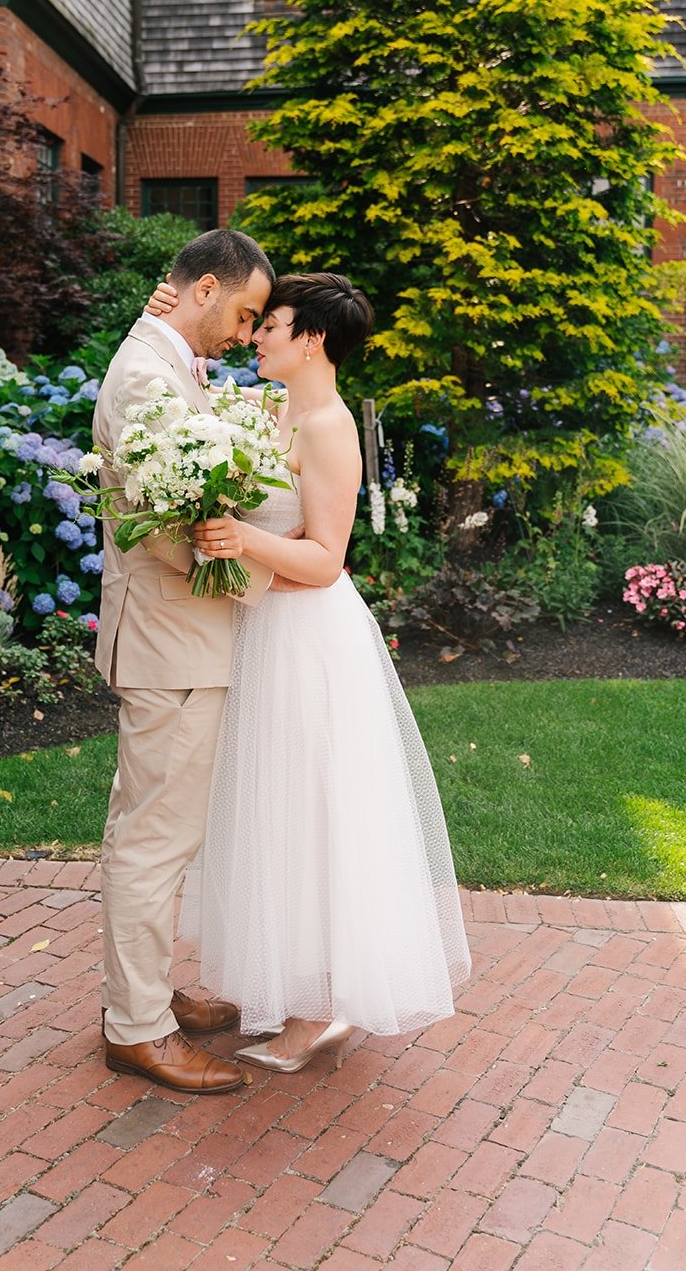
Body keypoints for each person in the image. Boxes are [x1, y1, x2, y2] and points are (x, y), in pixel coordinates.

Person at [149, 270, 471, 1072]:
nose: (255, 335)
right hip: (264, 628)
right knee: (272, 816)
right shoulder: (267, 408)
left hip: (308, 641)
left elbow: (326, 561)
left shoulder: (326, 424)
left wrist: (237, 537)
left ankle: (316, 1011)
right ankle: (295, 993)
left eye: (271, 324)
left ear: (312, 339)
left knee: (310, 819)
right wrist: (160, 318)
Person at [93, 227, 276, 1094]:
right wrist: (254, 575)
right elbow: (160, 523)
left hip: (176, 638)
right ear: (203, 289)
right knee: (154, 841)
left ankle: (145, 996)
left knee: (156, 832)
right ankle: (137, 1028)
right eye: (242, 314)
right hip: (170, 638)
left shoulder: (161, 355)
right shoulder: (143, 375)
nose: (244, 334)